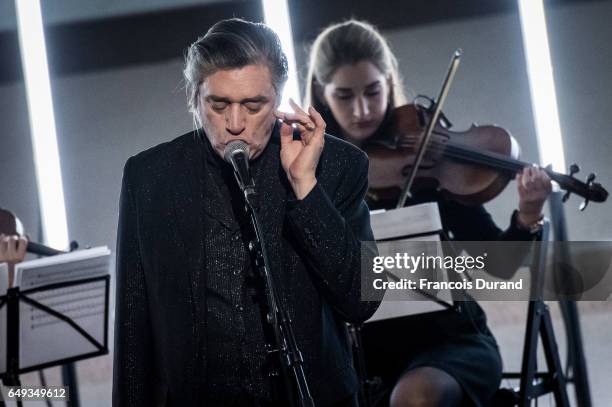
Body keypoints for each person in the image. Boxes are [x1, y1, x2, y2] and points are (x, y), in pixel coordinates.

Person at [113, 18, 380, 407]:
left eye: (254, 105)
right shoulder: (149, 178)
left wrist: (305, 186)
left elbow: (361, 302)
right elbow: (133, 329)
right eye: (217, 105)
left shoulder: (337, 165)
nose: (234, 124)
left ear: (279, 99)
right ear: (193, 97)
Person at [305, 20, 553, 407]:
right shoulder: (310, 174)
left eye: (373, 91)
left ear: (389, 82)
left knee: (414, 397)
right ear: (322, 93)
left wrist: (528, 213)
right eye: (345, 96)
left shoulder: (428, 166)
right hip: (359, 357)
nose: (362, 109)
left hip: (448, 346)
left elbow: (498, 266)